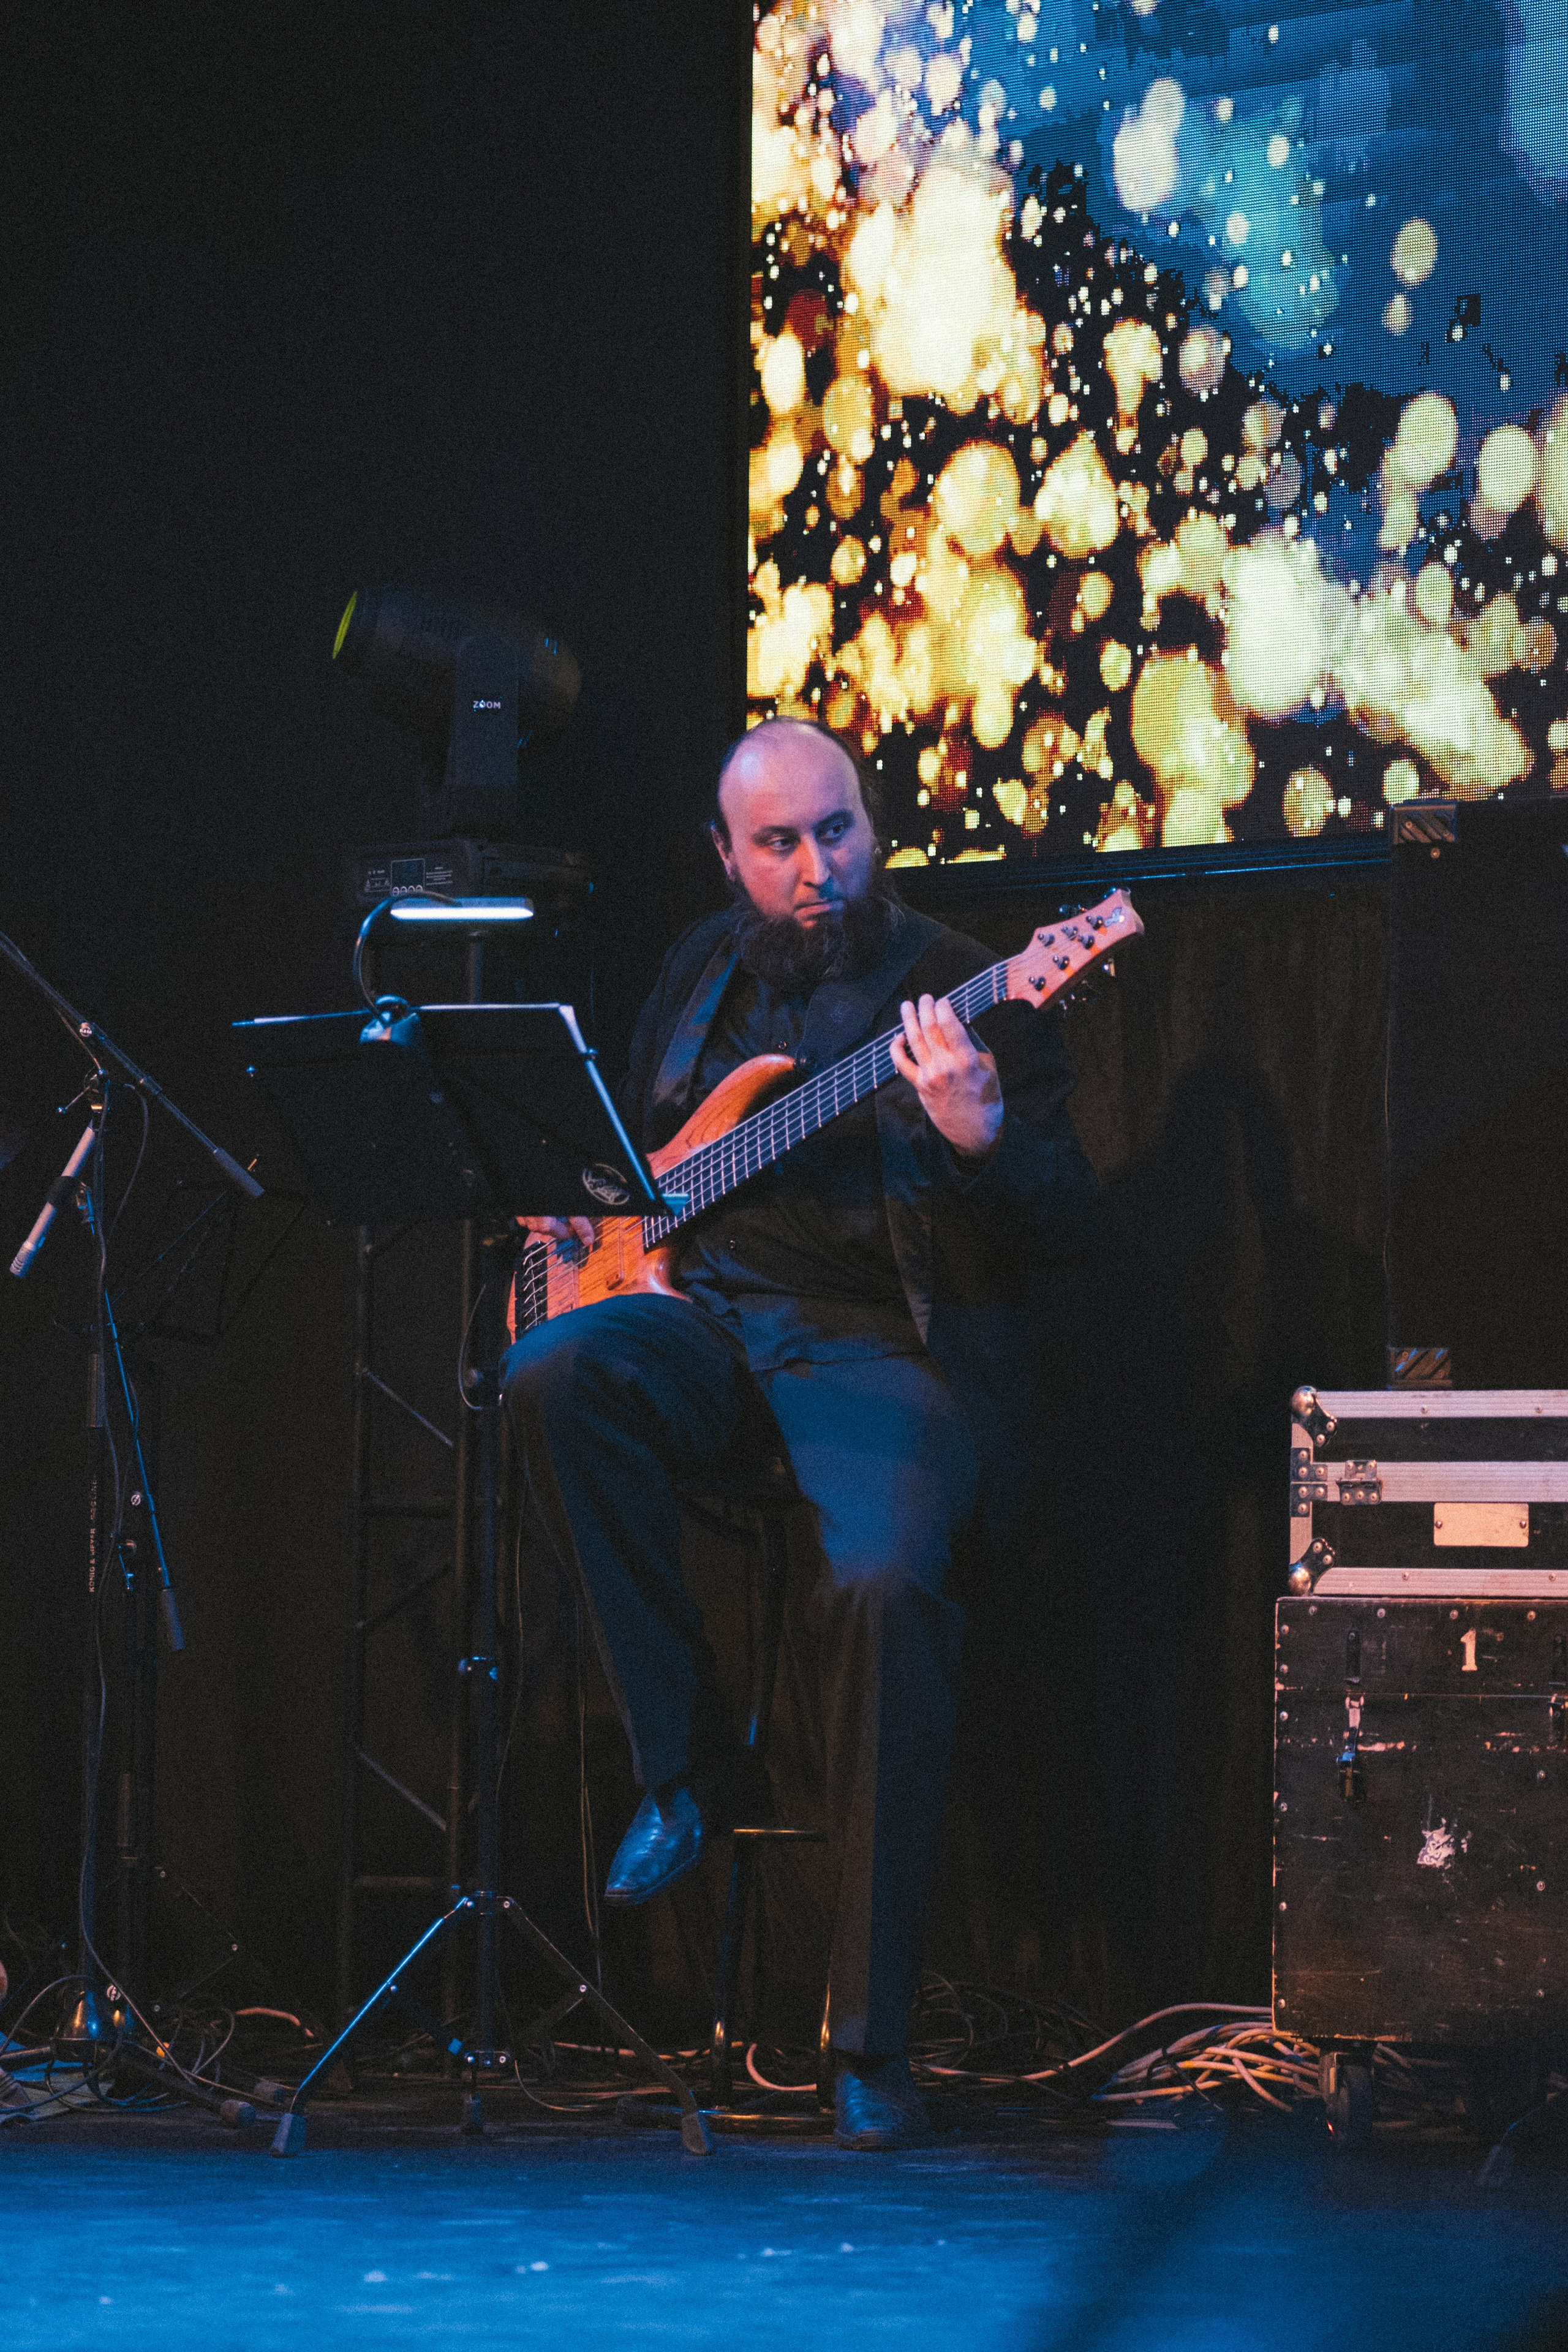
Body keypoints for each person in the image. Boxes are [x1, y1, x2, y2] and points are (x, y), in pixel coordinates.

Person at [502, 717, 1098, 2149]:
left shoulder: (968, 984)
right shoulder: (699, 973)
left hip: (876, 1354)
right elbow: (638, 1158)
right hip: (709, 1327)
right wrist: (586, 1213)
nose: (813, 868)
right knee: (551, 1371)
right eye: (777, 844)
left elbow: (1066, 1222)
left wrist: (979, 1137)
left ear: (869, 828)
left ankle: (868, 2045)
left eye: (834, 831)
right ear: (727, 857)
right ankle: (686, 1762)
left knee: (886, 1590)